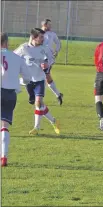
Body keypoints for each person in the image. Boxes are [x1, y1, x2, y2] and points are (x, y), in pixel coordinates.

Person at [14, 28, 61, 136]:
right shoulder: (23, 48)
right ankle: (54, 121)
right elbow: (13, 57)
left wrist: (47, 64)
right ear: (33, 37)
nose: (43, 39)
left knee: (38, 102)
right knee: (39, 105)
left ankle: (36, 128)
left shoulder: (44, 48)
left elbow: (51, 59)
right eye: (41, 37)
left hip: (40, 80)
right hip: (29, 81)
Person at [1, 33, 32, 167]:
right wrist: (18, 81)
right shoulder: (16, 57)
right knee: (4, 126)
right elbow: (27, 78)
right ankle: (3, 157)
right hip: (10, 94)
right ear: (7, 42)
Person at [41, 19, 64, 105]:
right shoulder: (38, 33)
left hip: (48, 59)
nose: (51, 26)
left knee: (43, 75)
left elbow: (58, 43)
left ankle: (39, 98)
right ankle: (58, 95)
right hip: (38, 57)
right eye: (49, 25)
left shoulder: (52, 34)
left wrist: (56, 51)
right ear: (44, 25)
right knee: (46, 77)